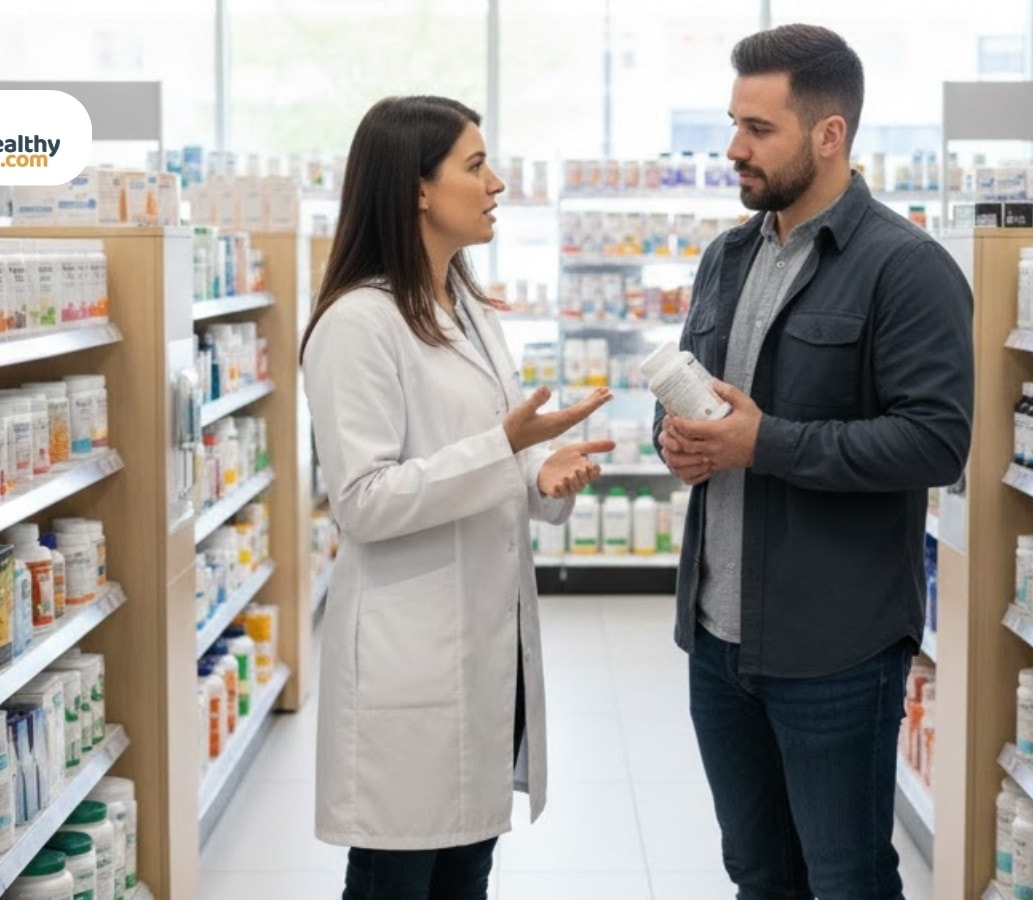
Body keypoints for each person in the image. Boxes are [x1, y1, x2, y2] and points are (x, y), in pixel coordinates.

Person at [653, 24, 974, 900]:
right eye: (733, 123)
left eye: (759, 129)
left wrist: (766, 442)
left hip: (834, 648)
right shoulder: (725, 257)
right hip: (717, 637)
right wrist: (677, 439)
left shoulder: (906, 269)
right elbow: (692, 396)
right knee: (757, 871)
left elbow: (938, 442)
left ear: (829, 135)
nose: (734, 148)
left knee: (847, 878)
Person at [300, 95, 613, 900]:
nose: (497, 183)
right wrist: (506, 450)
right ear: (417, 190)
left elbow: (494, 447)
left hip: (484, 649)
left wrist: (543, 470)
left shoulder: (467, 308)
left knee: (465, 875)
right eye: (476, 166)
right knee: (397, 879)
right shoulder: (357, 324)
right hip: (409, 661)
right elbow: (363, 501)